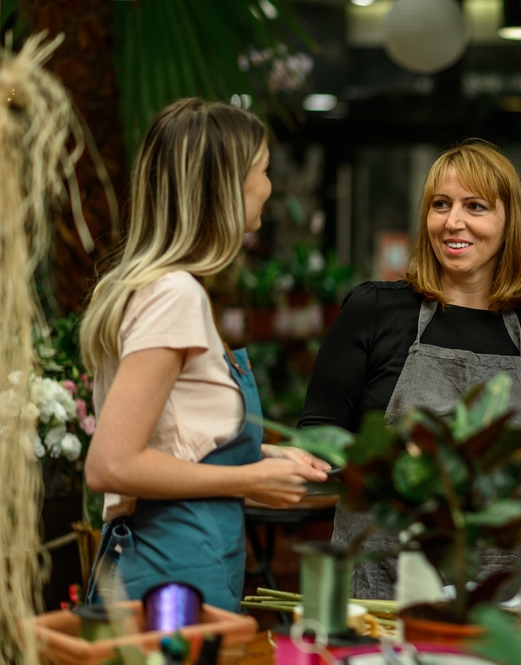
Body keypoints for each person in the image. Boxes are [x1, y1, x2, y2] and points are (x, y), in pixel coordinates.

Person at [299, 139, 521, 599]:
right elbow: (318, 433)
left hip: (500, 591)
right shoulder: (374, 310)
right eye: (441, 205)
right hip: (378, 589)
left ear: (507, 222)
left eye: (475, 206)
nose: (453, 221)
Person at [81, 98, 330, 612]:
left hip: (182, 565)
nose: (268, 186)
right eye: (262, 171)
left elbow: (170, 439)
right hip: (171, 575)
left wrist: (262, 456)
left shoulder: (157, 287)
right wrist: (248, 480)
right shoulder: (175, 294)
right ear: (227, 187)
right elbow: (111, 463)